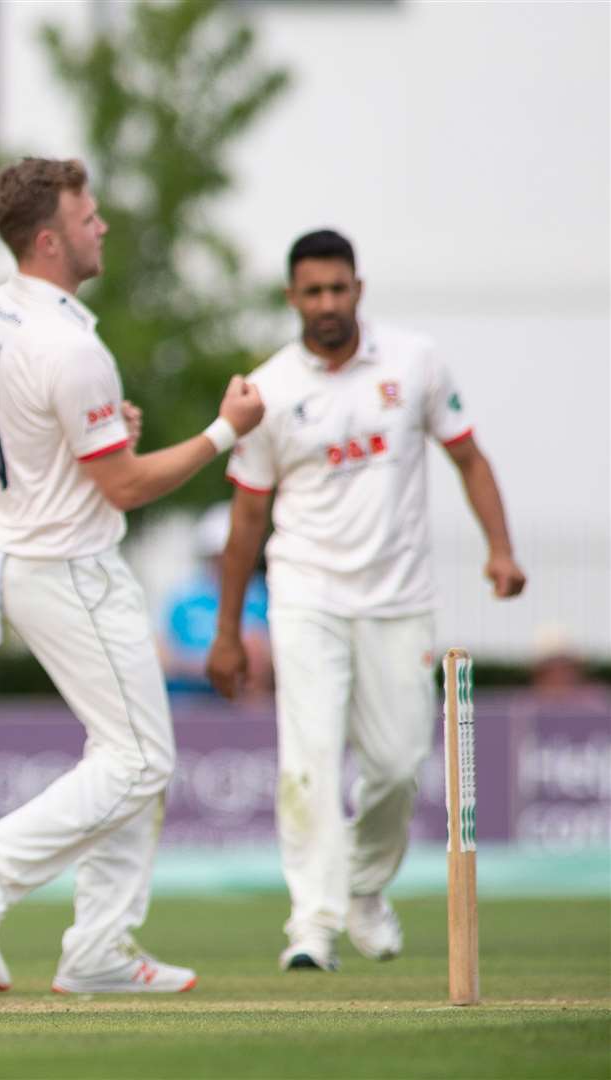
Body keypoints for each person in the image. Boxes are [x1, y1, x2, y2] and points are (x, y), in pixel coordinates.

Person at [0, 157, 264, 996]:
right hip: (66, 565)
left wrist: (91, 433)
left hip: (24, 556)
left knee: (131, 756)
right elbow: (128, 484)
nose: (100, 225)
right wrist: (225, 430)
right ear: (47, 237)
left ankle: (100, 950)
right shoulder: (70, 346)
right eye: (87, 215)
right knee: (140, 760)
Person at [206, 229, 526, 973]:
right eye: (311, 292)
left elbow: (468, 458)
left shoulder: (413, 361)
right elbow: (246, 518)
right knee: (308, 761)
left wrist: (500, 548)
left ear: (357, 288)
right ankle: (310, 924)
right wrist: (228, 631)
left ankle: (363, 890)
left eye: (337, 289)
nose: (326, 304)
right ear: (292, 298)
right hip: (305, 593)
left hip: (397, 596)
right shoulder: (270, 388)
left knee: (396, 763)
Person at [159, 502, 273, 697]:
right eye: (220, 555)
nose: (226, 562)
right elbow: (162, 652)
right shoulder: (183, 597)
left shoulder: (261, 593)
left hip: (246, 693)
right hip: (189, 692)